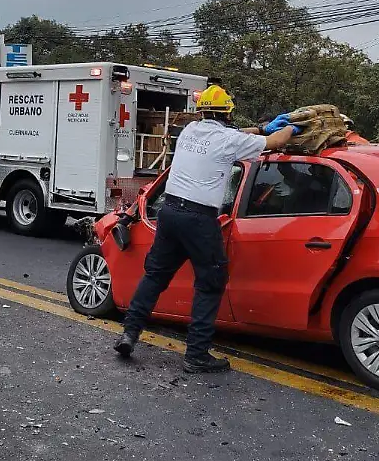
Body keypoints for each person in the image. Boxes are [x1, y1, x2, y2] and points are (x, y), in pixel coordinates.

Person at [112, 84, 298, 373]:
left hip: (170, 212)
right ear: (227, 114)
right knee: (210, 283)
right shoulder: (227, 139)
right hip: (199, 218)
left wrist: (261, 129)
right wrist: (292, 127)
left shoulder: (190, 132)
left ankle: (129, 334)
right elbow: (275, 142)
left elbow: (237, 137)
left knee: (155, 276)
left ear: (203, 112)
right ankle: (196, 354)